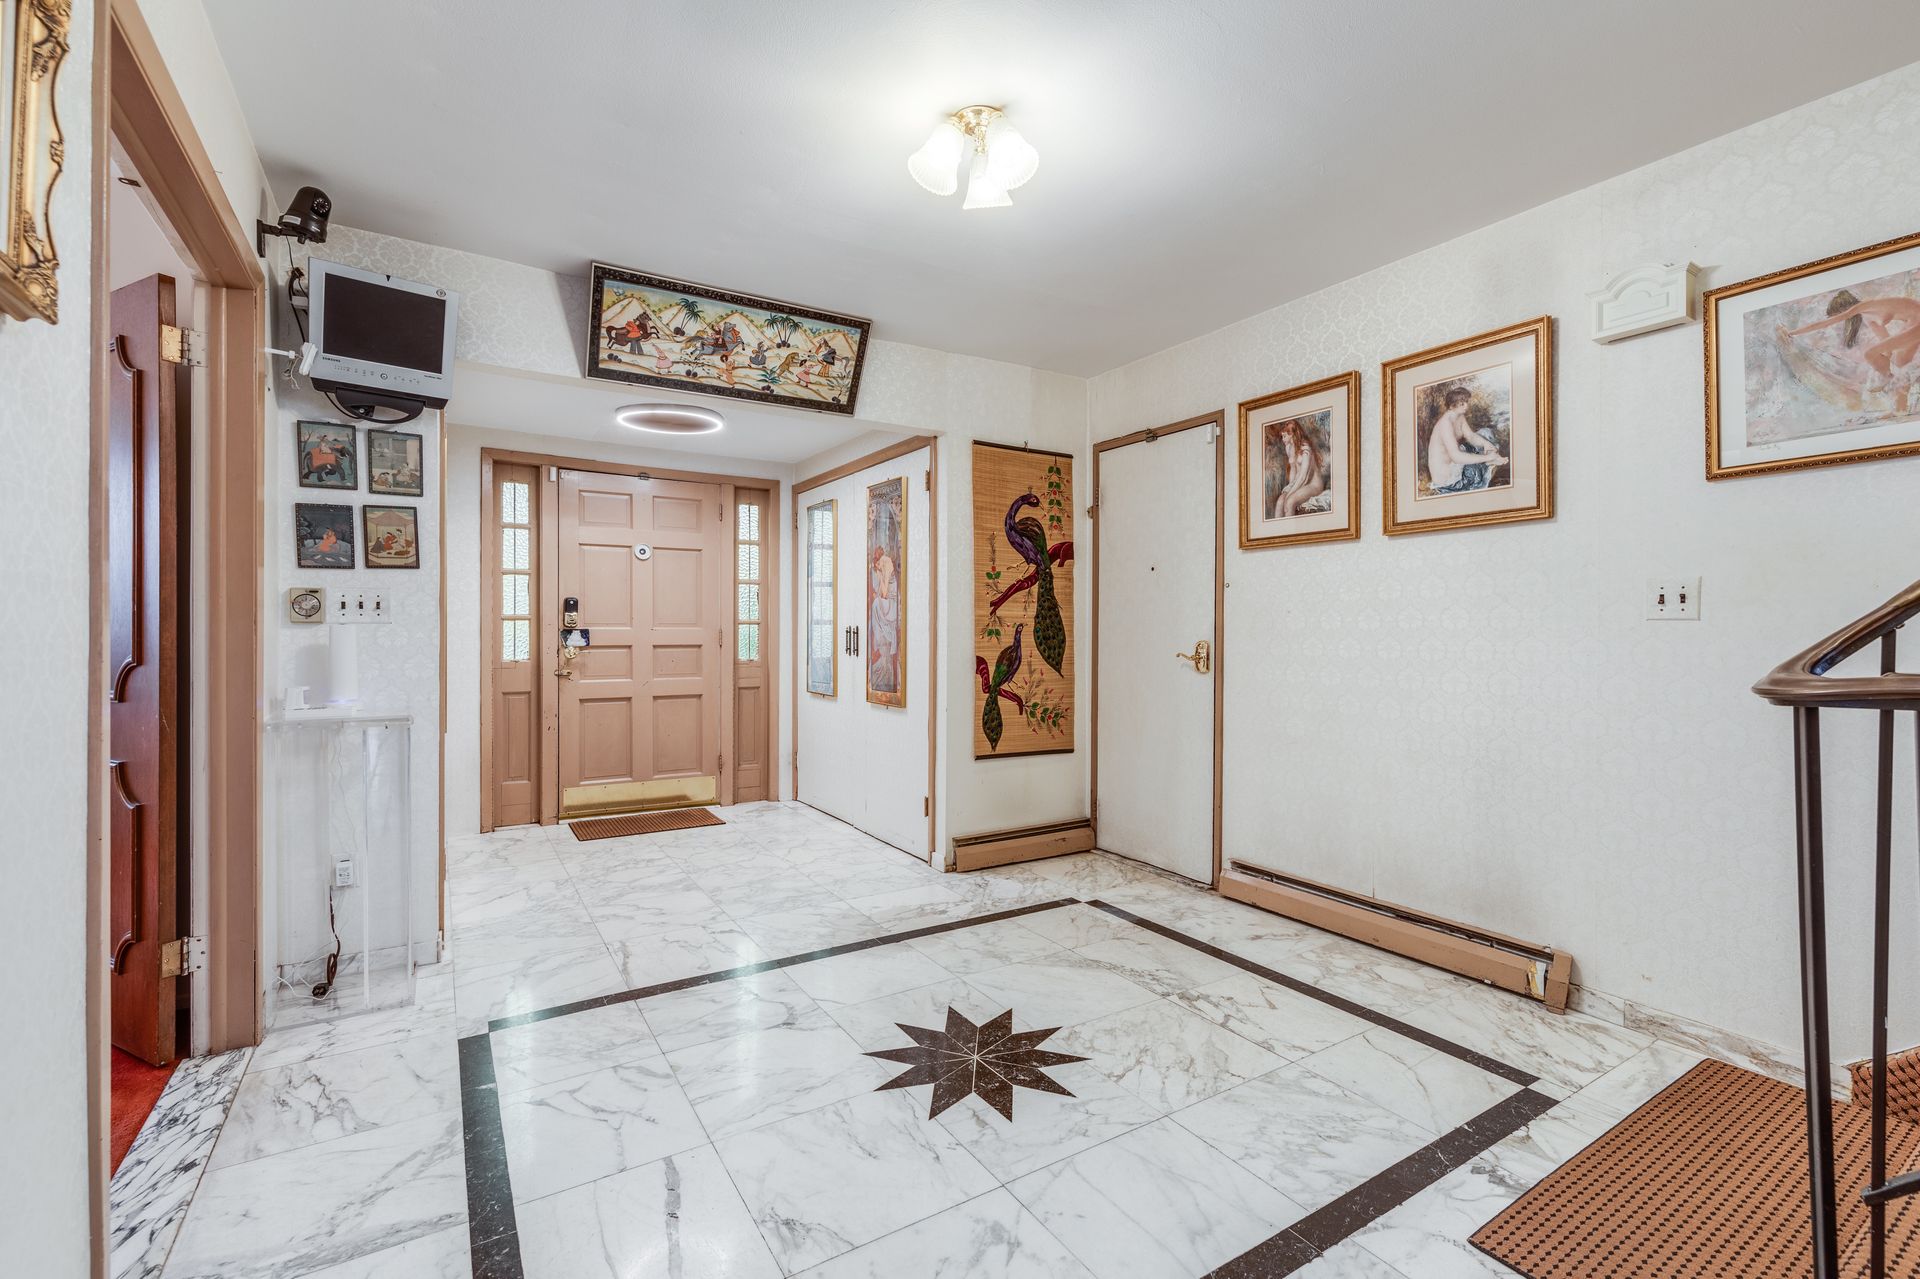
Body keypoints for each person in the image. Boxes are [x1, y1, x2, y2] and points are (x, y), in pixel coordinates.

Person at [1785, 290, 1920, 409]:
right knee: (1900, 365)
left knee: (1871, 354)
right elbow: (1886, 343)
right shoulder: (1869, 318)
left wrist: (1792, 332)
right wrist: (1884, 364)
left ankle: (1888, 378)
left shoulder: (1864, 305)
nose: (1842, 319)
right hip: (1913, 321)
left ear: (1844, 308)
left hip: (1917, 318)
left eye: (1839, 315)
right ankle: (1900, 409)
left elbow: (1824, 324)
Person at [1425, 386, 1506, 494]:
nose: (1466, 406)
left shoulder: (1459, 416)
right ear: (1452, 405)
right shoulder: (1445, 424)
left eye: (1466, 402)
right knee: (1476, 469)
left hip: (1454, 462)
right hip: (1449, 479)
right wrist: (1487, 457)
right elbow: (1456, 457)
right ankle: (1490, 460)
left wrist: (1485, 443)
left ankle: (1491, 459)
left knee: (1485, 433)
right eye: (1462, 404)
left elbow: (1470, 436)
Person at [1271, 420, 1327, 517]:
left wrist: (1290, 493)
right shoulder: (1289, 447)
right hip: (1299, 482)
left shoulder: (1306, 449)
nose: (1283, 439)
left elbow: (1304, 476)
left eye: (1284, 436)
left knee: (1289, 502)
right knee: (1280, 502)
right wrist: (1290, 486)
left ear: (1292, 434)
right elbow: (1293, 470)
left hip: (1313, 484)